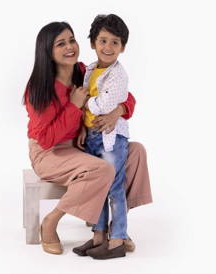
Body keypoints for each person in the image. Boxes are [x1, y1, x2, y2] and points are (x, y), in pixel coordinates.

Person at [24, 21, 152, 256]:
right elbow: (46, 139)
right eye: (60, 43)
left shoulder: (84, 72)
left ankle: (117, 229)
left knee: (136, 152)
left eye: (71, 40)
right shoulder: (39, 88)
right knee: (103, 169)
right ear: (47, 51)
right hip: (50, 152)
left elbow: (126, 95)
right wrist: (74, 107)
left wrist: (117, 111)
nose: (69, 47)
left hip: (81, 145)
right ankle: (51, 222)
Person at [72, 14, 131, 259]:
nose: (108, 47)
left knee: (114, 189)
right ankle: (98, 236)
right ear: (93, 43)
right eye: (103, 41)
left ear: (123, 47)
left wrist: (86, 101)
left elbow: (106, 104)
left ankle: (117, 240)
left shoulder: (118, 74)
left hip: (111, 137)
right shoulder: (90, 70)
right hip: (93, 137)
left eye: (115, 42)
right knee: (97, 188)